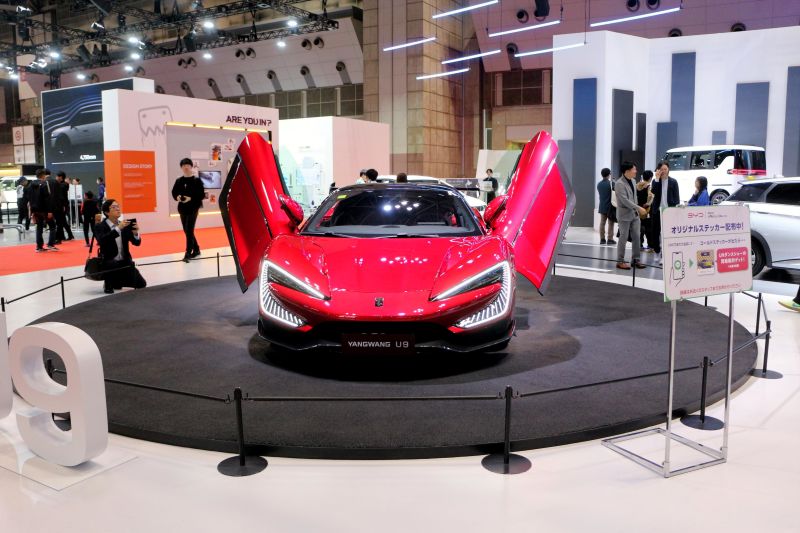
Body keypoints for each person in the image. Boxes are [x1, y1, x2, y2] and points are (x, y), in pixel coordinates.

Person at [94, 198, 146, 294]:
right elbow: (102, 241)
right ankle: (109, 282)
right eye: (114, 207)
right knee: (110, 288)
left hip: (125, 261)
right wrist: (118, 228)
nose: (118, 209)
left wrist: (135, 233)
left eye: (118, 206)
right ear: (106, 212)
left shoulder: (124, 225)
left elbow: (136, 243)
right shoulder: (100, 226)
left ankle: (117, 280)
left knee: (141, 284)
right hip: (109, 261)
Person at [171, 157, 206, 262]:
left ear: (191, 166)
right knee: (186, 230)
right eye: (183, 165)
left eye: (187, 165)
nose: (186, 167)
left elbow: (201, 195)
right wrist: (177, 197)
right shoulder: (179, 180)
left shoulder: (197, 180)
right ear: (181, 167)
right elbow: (174, 192)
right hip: (182, 208)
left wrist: (190, 198)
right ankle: (197, 249)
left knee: (189, 230)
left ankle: (188, 252)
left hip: (193, 208)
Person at [614, 161, 647, 270]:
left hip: (634, 214)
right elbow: (625, 201)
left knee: (637, 236)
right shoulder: (619, 184)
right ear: (627, 171)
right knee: (623, 237)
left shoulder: (633, 181)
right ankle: (620, 261)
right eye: (634, 169)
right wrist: (639, 208)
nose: (636, 171)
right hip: (624, 215)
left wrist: (637, 209)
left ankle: (636, 260)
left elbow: (634, 197)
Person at [650, 161, 681, 265]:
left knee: (666, 234)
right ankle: (657, 252)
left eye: (665, 169)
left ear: (668, 170)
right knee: (655, 233)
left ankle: (664, 255)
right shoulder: (655, 181)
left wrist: (676, 209)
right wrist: (657, 178)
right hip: (657, 211)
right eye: (661, 169)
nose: (663, 171)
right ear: (658, 170)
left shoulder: (673, 182)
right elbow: (653, 192)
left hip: (668, 211)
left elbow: (676, 197)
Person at [29, 169, 58, 252]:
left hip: (35, 209)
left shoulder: (31, 184)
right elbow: (47, 198)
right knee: (52, 226)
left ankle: (39, 247)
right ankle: (51, 244)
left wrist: (32, 211)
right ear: (43, 175)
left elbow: (30, 198)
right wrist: (50, 211)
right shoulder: (45, 184)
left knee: (39, 227)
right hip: (44, 209)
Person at [53, 171, 74, 242]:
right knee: (62, 221)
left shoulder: (64, 185)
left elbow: (62, 197)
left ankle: (61, 237)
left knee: (60, 221)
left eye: (57, 176)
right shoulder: (61, 184)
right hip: (61, 205)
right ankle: (66, 236)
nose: (56, 178)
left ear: (61, 177)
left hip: (62, 206)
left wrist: (63, 206)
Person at [597, 167, 616, 245]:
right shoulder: (611, 183)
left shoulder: (599, 184)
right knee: (610, 223)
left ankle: (602, 239)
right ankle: (610, 239)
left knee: (602, 223)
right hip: (610, 207)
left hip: (602, 206)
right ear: (609, 174)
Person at [637, 170, 655, 250]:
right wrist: (648, 204)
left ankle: (639, 244)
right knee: (648, 228)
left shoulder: (637, 185)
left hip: (638, 209)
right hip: (647, 210)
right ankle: (650, 245)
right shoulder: (649, 186)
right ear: (650, 178)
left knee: (639, 227)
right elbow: (650, 197)